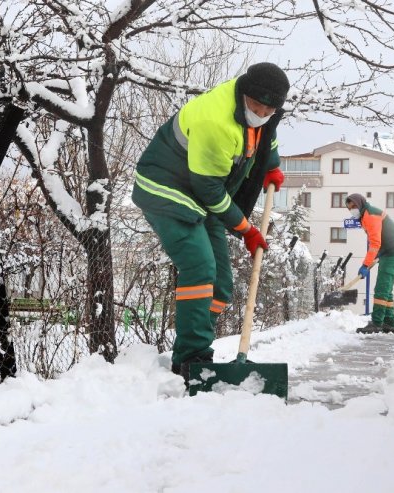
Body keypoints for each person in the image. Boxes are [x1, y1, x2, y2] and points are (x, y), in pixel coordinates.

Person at [132, 62, 289, 384]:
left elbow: (264, 135)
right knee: (200, 266)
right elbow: (209, 189)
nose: (260, 112)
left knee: (220, 286)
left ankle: (195, 335)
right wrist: (246, 229)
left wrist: (270, 166)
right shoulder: (215, 120)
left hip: (203, 197)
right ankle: (192, 358)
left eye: (268, 109)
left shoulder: (259, 114)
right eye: (255, 105)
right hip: (167, 190)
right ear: (243, 93)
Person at [345, 193, 394, 334]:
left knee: (381, 288)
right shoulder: (365, 215)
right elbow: (379, 239)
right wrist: (375, 257)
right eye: (349, 208)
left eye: (354, 206)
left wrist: (365, 265)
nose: (352, 210)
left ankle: (377, 323)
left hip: (393, 253)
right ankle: (389, 323)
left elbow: (375, 243)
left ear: (360, 204)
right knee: (386, 290)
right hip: (389, 253)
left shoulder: (370, 216)